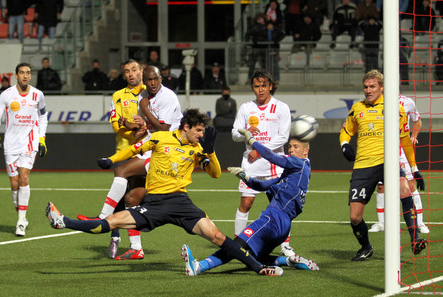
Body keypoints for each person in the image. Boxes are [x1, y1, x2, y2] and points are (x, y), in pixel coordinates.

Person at [47, 109, 285, 277]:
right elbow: (133, 148)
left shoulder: (197, 148)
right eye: (198, 130)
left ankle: (258, 268)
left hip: (181, 203)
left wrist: (210, 152)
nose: (201, 134)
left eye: (203, 131)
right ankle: (63, 221)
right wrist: (111, 160)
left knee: (218, 237)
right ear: (186, 127)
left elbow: (214, 174)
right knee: (111, 222)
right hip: (155, 203)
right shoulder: (160, 138)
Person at [80, 65, 182, 260]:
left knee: (121, 171)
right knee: (132, 200)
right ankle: (136, 248)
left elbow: (164, 128)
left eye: (155, 79)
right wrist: (139, 127)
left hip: (166, 150)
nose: (152, 83)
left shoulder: (167, 97)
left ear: (161, 78)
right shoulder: (142, 94)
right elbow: (148, 126)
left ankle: (103, 217)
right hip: (153, 145)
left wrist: (143, 109)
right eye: (149, 79)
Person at [182, 132, 319, 276]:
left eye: (296, 147)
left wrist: (253, 142)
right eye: (290, 147)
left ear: (306, 151)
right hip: (283, 225)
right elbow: (263, 185)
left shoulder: (300, 164)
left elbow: (271, 156)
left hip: (273, 218)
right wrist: (245, 177)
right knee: (255, 256)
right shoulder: (292, 174)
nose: (291, 150)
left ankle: (199, 266)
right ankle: (289, 261)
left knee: (237, 246)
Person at [339, 69, 427, 261]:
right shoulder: (357, 108)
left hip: (388, 162)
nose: (368, 90)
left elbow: (405, 141)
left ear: (381, 88)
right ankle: (366, 247)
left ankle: (415, 240)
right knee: (355, 217)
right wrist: (344, 145)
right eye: (365, 87)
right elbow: (345, 131)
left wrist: (414, 168)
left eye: (372, 87)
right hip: (363, 165)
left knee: (405, 189)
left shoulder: (396, 108)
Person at [78, 59, 147, 260]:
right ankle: (121, 239)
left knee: (132, 197)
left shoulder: (150, 93)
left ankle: (108, 225)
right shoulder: (118, 95)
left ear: (141, 71)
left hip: (146, 151)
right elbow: (116, 126)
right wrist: (131, 128)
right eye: (127, 71)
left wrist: (137, 127)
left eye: (134, 69)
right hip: (125, 149)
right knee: (127, 198)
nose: (131, 74)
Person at [231, 69, 292, 256]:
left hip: (274, 165)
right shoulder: (246, 108)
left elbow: (283, 137)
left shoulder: (281, 107)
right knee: (246, 203)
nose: (260, 90)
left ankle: (285, 246)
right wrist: (245, 131)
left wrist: (260, 151)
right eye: (257, 86)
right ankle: (236, 245)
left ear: (270, 86)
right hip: (251, 164)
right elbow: (234, 134)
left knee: (279, 206)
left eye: (264, 86)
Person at [0, 62, 48, 237]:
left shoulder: (38, 95)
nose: (25, 75)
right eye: (22, 72)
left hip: (29, 143)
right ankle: (21, 216)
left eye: (28, 73)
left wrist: (42, 139)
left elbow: (43, 116)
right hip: (11, 144)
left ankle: (20, 222)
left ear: (31, 76)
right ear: (16, 75)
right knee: (14, 183)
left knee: (24, 177)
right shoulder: (6, 95)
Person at [369, 94, 430, 234]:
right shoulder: (377, 101)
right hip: (381, 149)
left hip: (401, 149)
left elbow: (417, 121)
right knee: (381, 186)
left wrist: (414, 136)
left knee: (410, 185)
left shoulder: (407, 102)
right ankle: (381, 223)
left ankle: (420, 223)